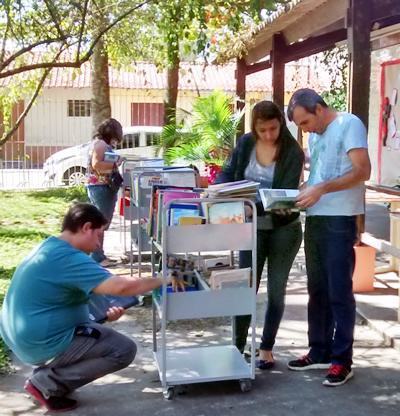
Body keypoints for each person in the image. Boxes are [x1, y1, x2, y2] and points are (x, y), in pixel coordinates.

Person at [0, 203, 167, 412]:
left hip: (23, 337)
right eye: (98, 235)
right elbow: (122, 287)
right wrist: (162, 279)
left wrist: (103, 315)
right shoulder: (68, 258)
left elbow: (79, 293)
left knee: (103, 333)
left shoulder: (51, 247)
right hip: (40, 343)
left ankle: (52, 376)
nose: (99, 244)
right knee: (123, 349)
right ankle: (46, 383)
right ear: (86, 227)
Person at [286, 88, 371, 387]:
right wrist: (299, 193)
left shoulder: (349, 124)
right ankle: (318, 350)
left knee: (339, 292)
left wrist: (321, 189)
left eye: (306, 122)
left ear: (319, 109)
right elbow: (317, 177)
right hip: (316, 219)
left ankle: (341, 360)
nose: (305, 129)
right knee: (317, 290)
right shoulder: (315, 136)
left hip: (340, 219)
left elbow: (363, 171)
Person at [216, 100, 304, 369]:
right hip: (249, 228)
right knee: (245, 287)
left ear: (281, 124)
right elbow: (227, 173)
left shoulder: (293, 152)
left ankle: (266, 347)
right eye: (262, 130)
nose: (268, 135)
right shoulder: (244, 144)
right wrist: (219, 191)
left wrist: (247, 203)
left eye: (273, 129)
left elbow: (285, 196)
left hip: (283, 229)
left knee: (276, 290)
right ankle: (237, 346)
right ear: (254, 128)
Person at [87, 118, 124, 267]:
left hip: (102, 187)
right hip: (101, 187)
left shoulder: (100, 144)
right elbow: (97, 165)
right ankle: (97, 257)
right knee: (100, 223)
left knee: (102, 222)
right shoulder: (101, 144)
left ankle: (99, 254)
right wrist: (116, 163)